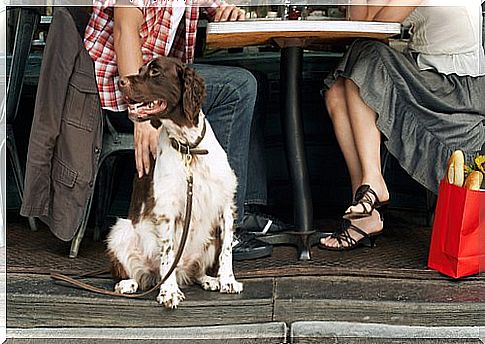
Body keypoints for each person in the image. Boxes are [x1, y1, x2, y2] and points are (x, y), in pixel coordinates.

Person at [84, 0, 278, 260]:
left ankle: (246, 208)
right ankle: (225, 231)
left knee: (257, 82)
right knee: (239, 88)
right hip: (122, 89)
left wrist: (228, 12)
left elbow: (216, 7)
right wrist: (141, 113)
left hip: (161, 87)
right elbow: (123, 29)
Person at [319, 0, 485, 250]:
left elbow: (376, 29)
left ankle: (373, 186)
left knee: (367, 55)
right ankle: (366, 207)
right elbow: (360, 24)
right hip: (430, 75)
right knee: (336, 91)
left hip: (457, 88)